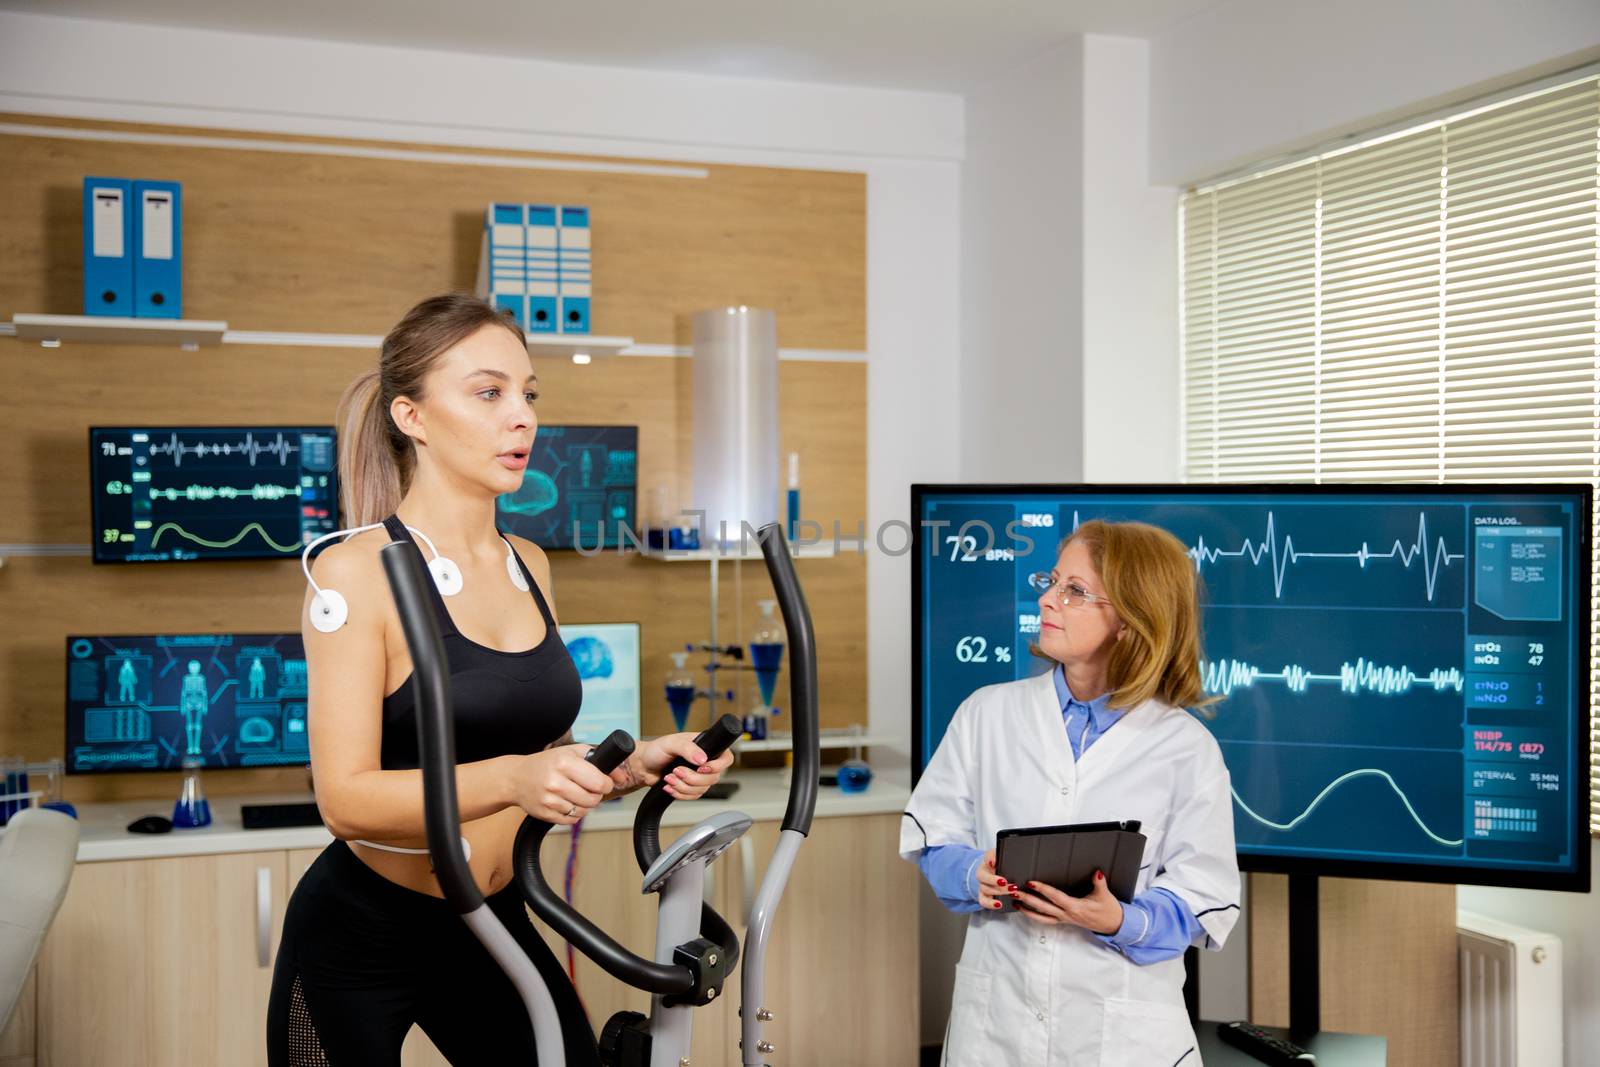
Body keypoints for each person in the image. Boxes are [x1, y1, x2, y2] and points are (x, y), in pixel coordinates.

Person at [267, 294, 734, 1066]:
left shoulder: (531, 564)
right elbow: (343, 798)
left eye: (528, 393)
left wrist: (633, 760)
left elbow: (542, 756)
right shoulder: (354, 573)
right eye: (489, 392)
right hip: (360, 933)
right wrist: (517, 778)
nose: (521, 416)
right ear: (411, 416)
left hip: (491, 913)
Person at [902, 519, 1240, 1066]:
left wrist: (1116, 920)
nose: (1047, 599)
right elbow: (932, 839)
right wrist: (975, 873)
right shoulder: (986, 713)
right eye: (1053, 581)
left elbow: (1203, 900)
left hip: (1122, 1037)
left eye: (1074, 591)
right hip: (997, 1028)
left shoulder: (1185, 748)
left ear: (1131, 621)